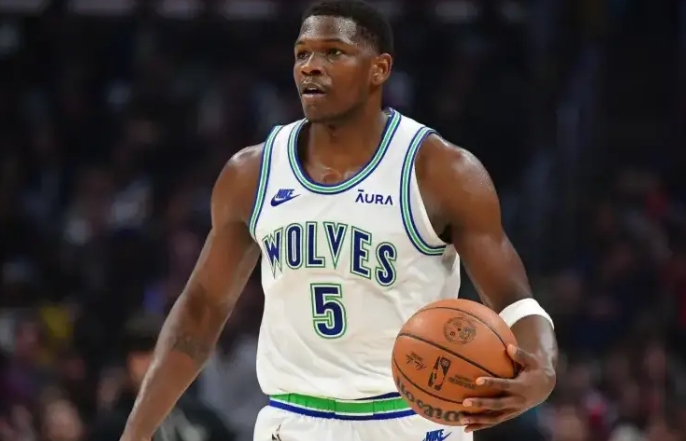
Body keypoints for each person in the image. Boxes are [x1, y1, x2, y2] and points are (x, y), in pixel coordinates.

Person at [118, 1, 558, 440]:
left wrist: (542, 366)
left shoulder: (441, 171)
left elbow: (513, 298)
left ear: (379, 69)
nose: (311, 66)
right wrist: (135, 434)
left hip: (408, 418)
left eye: (333, 52)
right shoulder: (251, 174)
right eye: (302, 53)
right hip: (294, 419)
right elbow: (200, 311)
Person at [95, 314, 234, 441]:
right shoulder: (112, 429)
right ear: (126, 362)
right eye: (141, 351)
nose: (149, 361)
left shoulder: (201, 419)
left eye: (157, 350)